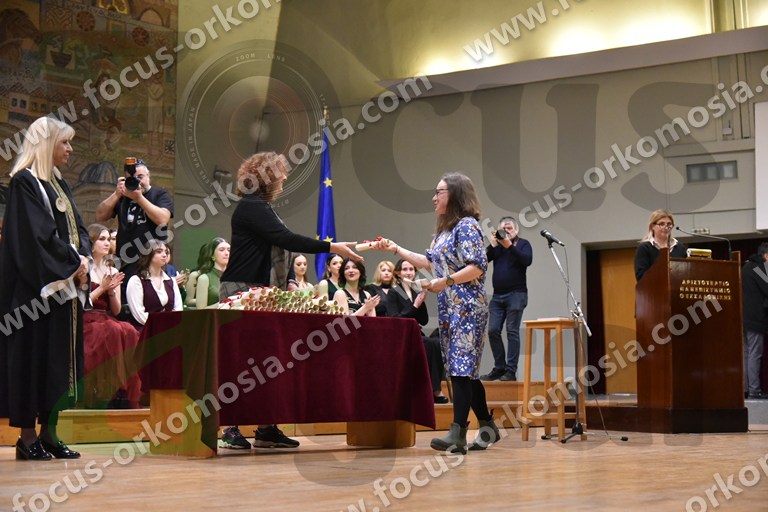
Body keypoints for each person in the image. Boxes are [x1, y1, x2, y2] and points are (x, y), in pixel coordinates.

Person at [218, 151, 361, 450]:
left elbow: (283, 241)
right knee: (239, 360)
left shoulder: (263, 207)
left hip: (262, 289)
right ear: (266, 178)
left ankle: (266, 427)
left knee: (266, 361)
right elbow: (286, 239)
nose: (284, 179)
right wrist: (333, 247)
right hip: (241, 289)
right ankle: (229, 427)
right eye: (280, 175)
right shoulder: (252, 206)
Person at [373, 172, 500, 453]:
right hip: (449, 307)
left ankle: (458, 433)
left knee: (461, 369)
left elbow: (478, 266)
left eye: (439, 192)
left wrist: (447, 281)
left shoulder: (467, 226)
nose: (434, 198)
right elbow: (428, 262)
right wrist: (396, 249)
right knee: (465, 371)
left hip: (467, 307)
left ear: (455, 195)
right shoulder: (445, 232)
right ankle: (488, 427)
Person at [0, 116, 90, 460]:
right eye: (64, 142)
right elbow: (35, 237)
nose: (70, 148)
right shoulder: (25, 183)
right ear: (47, 143)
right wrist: (73, 263)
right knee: (32, 361)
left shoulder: (59, 184)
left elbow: (79, 229)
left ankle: (50, 434)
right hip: (34, 294)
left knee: (57, 365)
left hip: (64, 293)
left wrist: (83, 259)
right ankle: (26, 438)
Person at [82, 224, 141, 409]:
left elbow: (116, 310)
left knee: (129, 330)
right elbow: (82, 304)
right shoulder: (84, 269)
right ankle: (106, 391)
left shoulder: (112, 270)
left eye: (108, 239)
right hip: (86, 318)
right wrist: (102, 288)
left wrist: (111, 291)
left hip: (105, 317)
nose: (107, 243)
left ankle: (123, 393)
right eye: (102, 239)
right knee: (113, 329)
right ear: (91, 242)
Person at [94, 158, 173, 289]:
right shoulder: (122, 197)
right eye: (131, 178)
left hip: (151, 262)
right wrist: (116, 194)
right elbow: (100, 215)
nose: (137, 181)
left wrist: (139, 198)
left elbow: (162, 219)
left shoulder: (159, 194)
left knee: (150, 297)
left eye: (140, 177)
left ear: (148, 176)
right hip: (125, 262)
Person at [386, 259, 449, 403]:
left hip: (415, 332)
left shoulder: (416, 291)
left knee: (436, 343)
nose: (408, 273)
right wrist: (415, 305)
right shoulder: (394, 292)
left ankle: (435, 389)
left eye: (411, 269)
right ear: (398, 273)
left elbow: (424, 320)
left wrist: (421, 302)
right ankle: (431, 391)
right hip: (401, 335)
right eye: (405, 269)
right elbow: (395, 319)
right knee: (428, 343)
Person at [480, 217, 532, 382]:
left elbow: (527, 260)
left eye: (509, 228)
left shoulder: (523, 244)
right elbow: (482, 261)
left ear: (516, 230)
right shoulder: (498, 247)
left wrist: (509, 245)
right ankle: (499, 367)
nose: (506, 231)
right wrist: (492, 244)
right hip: (497, 296)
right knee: (492, 330)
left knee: (512, 331)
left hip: (516, 294)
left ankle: (511, 371)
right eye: (503, 229)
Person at [125, 239, 183, 330]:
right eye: (159, 252)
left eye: (166, 252)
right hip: (145, 330)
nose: (164, 255)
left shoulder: (171, 281)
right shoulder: (136, 281)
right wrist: (160, 325)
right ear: (148, 254)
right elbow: (140, 315)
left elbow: (178, 310)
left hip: (169, 330)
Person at [742, 242, 768, 399]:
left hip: (743, 317)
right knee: (754, 354)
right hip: (755, 318)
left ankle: (746, 389)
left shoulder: (746, 266)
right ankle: (754, 390)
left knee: (746, 353)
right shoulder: (758, 268)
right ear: (766, 255)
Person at [634, 209, 687, 281]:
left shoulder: (680, 247)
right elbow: (641, 277)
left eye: (669, 224)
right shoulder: (644, 248)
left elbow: (686, 272)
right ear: (652, 226)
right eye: (661, 224)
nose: (666, 227)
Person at [194, 238, 230, 309]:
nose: (226, 253)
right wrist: (223, 304)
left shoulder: (235, 276)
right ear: (212, 256)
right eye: (222, 250)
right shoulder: (204, 278)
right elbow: (200, 310)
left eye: (229, 250)